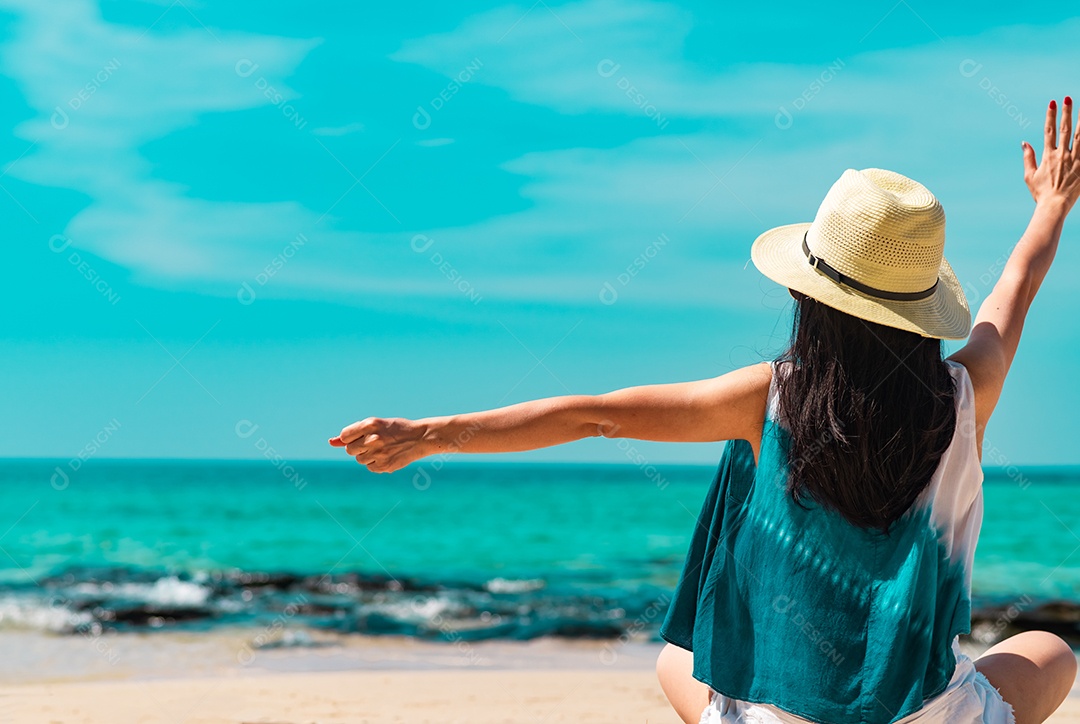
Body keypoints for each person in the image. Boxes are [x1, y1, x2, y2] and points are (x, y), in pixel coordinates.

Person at [329, 97, 1080, 723]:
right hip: (927, 715)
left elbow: (596, 415)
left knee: (674, 661)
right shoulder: (964, 395)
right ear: (921, 311)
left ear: (810, 298)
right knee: (1053, 653)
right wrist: (1050, 205)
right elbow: (1012, 293)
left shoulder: (769, 396)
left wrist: (429, 434)